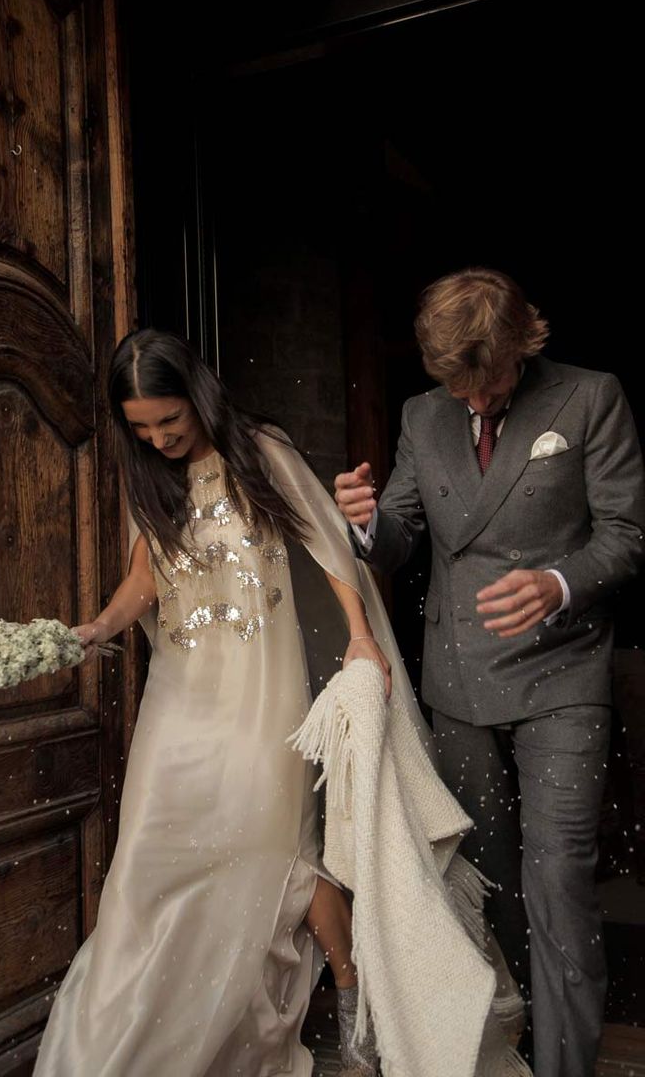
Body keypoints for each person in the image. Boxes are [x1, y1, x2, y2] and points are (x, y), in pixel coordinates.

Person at [33, 329, 391, 1077]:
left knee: (277, 849)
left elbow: (330, 544)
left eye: (170, 421)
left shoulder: (260, 452)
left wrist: (361, 637)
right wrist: (96, 627)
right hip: (181, 702)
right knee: (147, 861)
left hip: (259, 693)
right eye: (142, 429)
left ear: (196, 395)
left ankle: (356, 996)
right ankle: (134, 1038)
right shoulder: (147, 478)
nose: (159, 439)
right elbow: (146, 578)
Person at [334, 267, 645, 1077]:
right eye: (456, 386)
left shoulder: (590, 397)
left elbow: (625, 536)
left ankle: (566, 1067)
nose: (475, 402)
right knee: (493, 880)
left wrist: (558, 583)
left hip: (564, 673)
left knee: (559, 879)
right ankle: (516, 1041)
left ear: (524, 343)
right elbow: (402, 533)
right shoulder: (420, 415)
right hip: (459, 679)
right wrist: (365, 527)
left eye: (491, 380)